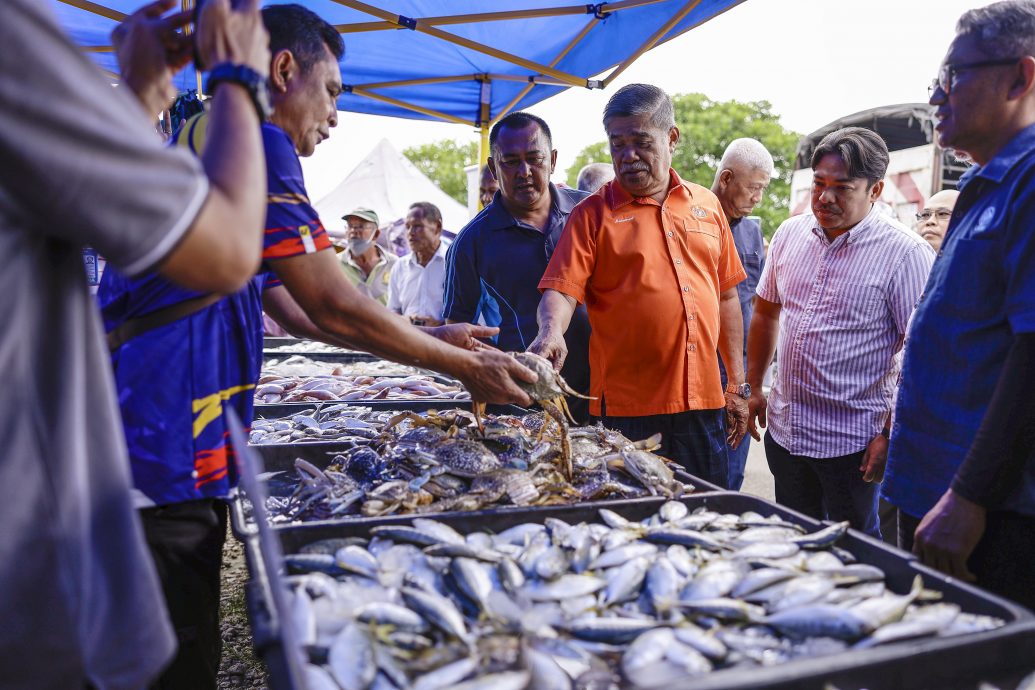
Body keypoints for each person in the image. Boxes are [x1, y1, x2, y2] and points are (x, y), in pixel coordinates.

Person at [99, 6, 534, 688]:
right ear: (283, 70)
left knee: (163, 646)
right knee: (176, 663)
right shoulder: (258, 143)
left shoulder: (199, 134)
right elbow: (331, 302)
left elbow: (292, 303)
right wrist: (465, 367)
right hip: (166, 456)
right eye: (332, 91)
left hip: (151, 445)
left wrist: (433, 334)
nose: (333, 117)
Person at [0, 0, 270, 687]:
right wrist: (237, 76)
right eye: (328, 93)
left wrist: (145, 90)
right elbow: (229, 252)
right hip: (32, 553)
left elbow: (61, 179)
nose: (330, 117)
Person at [881, 0, 1035, 609]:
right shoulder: (983, 183)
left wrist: (969, 496)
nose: (937, 97)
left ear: (1021, 77)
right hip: (928, 493)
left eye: (954, 77)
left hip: (986, 516)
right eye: (933, 83)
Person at [530, 83, 748, 488]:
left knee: (707, 513)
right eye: (618, 144)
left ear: (672, 138)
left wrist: (738, 383)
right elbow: (561, 289)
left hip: (704, 405)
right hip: (628, 412)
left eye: (641, 142)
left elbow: (727, 295)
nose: (628, 156)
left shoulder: (707, 205)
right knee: (632, 520)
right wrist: (550, 332)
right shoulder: (592, 215)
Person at [745, 127, 935, 538]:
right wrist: (754, 386)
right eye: (819, 183)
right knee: (794, 542)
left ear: (876, 190)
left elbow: (921, 355)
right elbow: (765, 313)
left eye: (842, 188)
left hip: (854, 445)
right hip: (787, 434)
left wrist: (890, 434)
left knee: (856, 553)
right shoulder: (790, 234)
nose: (825, 198)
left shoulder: (906, 254)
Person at [444, 112, 592, 421]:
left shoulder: (590, 211)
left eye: (534, 159)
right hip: (523, 401)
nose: (524, 172)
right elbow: (458, 329)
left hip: (604, 392)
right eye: (510, 161)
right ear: (494, 167)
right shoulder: (472, 242)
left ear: (552, 159)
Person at [710, 138, 774, 490]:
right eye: (754, 188)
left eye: (763, 190)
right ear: (726, 178)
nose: (758, 198)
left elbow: (759, 305)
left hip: (741, 377)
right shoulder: (692, 216)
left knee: (732, 475)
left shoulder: (752, 231)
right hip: (700, 374)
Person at [388, 201, 449, 326]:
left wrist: (440, 326)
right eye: (408, 226)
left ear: (437, 227)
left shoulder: (454, 264)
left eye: (417, 226)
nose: (410, 232)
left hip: (445, 342)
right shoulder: (400, 267)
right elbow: (392, 310)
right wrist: (407, 321)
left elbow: (468, 313)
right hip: (407, 340)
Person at [337, 206, 396, 305]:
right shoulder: (334, 264)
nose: (353, 231)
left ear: (376, 234)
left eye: (360, 226)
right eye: (350, 226)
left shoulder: (394, 264)